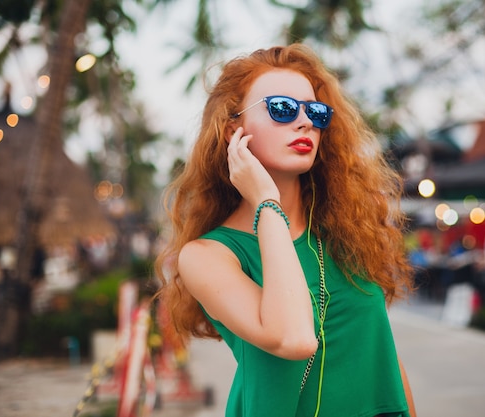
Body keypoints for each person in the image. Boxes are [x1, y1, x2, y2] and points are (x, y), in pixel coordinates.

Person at [156, 44, 416, 417]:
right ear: (234, 130)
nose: (304, 122)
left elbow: (382, 353)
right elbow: (293, 339)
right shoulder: (207, 255)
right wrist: (266, 201)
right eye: (281, 108)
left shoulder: (346, 233)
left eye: (315, 111)